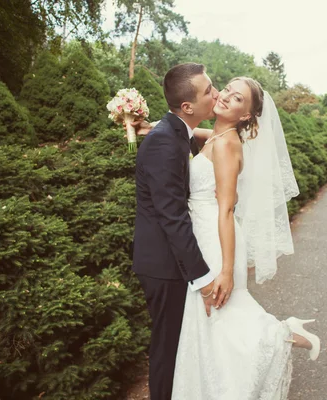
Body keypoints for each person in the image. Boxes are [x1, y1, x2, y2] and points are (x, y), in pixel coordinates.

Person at [132, 63, 233, 400]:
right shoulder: (165, 141)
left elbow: (197, 139)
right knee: (168, 349)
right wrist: (202, 279)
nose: (216, 93)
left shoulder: (176, 132)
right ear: (188, 107)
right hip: (163, 267)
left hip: (172, 262)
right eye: (209, 91)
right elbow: (172, 216)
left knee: (180, 347)